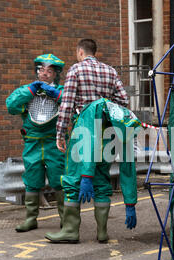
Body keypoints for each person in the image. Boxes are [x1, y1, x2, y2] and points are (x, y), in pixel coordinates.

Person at [45, 39, 138, 243]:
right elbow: (123, 101)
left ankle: (70, 231)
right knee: (101, 180)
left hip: (84, 131)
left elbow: (67, 104)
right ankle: (102, 232)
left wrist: (60, 134)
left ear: (80, 52)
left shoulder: (76, 70)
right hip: (107, 133)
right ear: (94, 52)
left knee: (73, 179)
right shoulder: (111, 72)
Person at [6, 53, 66, 232]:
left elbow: (74, 103)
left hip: (54, 142)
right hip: (32, 143)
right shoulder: (27, 90)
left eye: (49, 70)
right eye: (41, 69)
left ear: (56, 73)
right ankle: (31, 219)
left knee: (60, 179)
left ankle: (66, 220)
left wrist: (56, 94)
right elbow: (11, 106)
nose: (45, 73)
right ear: (37, 71)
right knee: (31, 180)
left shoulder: (63, 90)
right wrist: (30, 90)